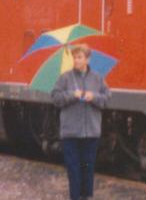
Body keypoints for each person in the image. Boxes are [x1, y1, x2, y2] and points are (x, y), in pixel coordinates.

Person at [51, 44, 111, 200]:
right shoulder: (65, 78)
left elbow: (107, 99)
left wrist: (94, 97)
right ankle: (75, 197)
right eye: (75, 57)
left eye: (80, 57)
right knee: (73, 169)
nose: (76, 60)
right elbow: (55, 98)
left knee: (88, 167)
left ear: (87, 59)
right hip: (71, 133)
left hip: (91, 132)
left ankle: (87, 196)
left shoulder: (98, 79)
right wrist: (73, 94)